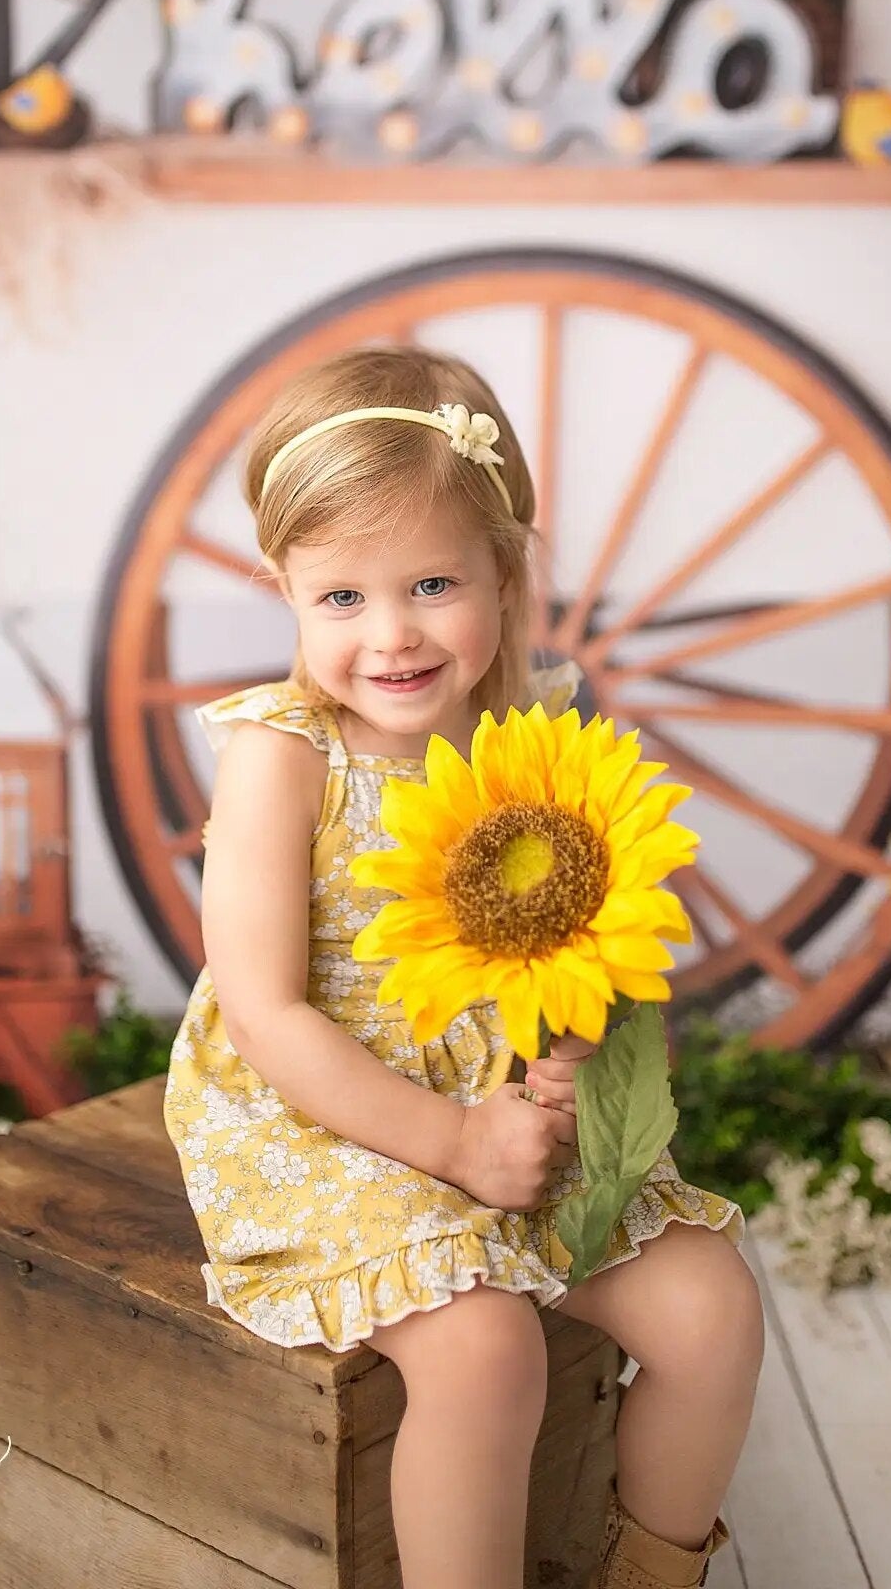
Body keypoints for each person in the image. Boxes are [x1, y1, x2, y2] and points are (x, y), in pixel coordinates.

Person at [163, 342, 765, 1589]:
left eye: (432, 581)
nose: (390, 636)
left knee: (712, 1305)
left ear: (506, 562)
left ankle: (649, 1566)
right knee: (489, 1347)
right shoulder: (283, 757)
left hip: (507, 1114)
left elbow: (586, 941)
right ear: (283, 585)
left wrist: (578, 1036)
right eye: (341, 598)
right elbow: (267, 1008)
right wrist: (448, 1143)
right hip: (330, 1120)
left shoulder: (540, 735)